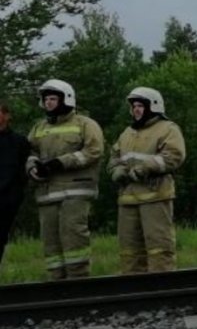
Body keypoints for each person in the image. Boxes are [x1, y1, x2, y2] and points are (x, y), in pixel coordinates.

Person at [25, 79, 104, 279]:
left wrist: (59, 163)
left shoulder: (85, 124)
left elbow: (93, 152)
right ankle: (56, 287)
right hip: (46, 194)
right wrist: (33, 168)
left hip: (75, 193)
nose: (48, 103)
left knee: (74, 240)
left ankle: (78, 284)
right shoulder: (38, 127)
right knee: (50, 244)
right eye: (46, 99)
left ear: (67, 99)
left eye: (53, 98)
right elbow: (29, 152)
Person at [109, 87, 186, 273]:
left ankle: (161, 290)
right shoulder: (127, 133)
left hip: (155, 197)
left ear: (153, 107)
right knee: (129, 252)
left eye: (140, 106)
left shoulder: (168, 129)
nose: (136, 110)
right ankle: (134, 293)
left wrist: (146, 168)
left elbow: (174, 155)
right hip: (127, 200)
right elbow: (114, 158)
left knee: (159, 249)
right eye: (134, 106)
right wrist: (116, 171)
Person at [0, 100, 31, 267]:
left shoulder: (19, 142)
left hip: (6, 202)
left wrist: (14, 197)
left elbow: (23, 172)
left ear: (6, 116)